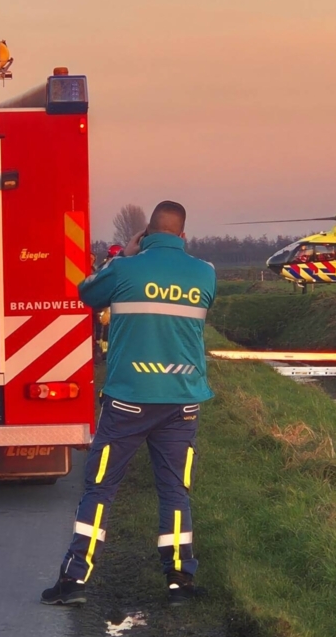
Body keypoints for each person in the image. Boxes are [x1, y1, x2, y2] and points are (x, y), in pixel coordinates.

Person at [41, 201, 216, 607]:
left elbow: (87, 293)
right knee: (175, 492)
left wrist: (125, 254)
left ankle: (74, 580)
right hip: (183, 403)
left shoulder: (124, 268)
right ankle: (180, 583)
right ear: (184, 236)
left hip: (129, 402)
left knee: (100, 488)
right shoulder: (205, 273)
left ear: (147, 233)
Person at [94, 245, 123, 357]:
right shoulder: (106, 268)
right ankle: (101, 351)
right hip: (105, 303)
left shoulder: (106, 267)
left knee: (108, 328)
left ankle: (105, 351)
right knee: (102, 328)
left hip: (111, 303)